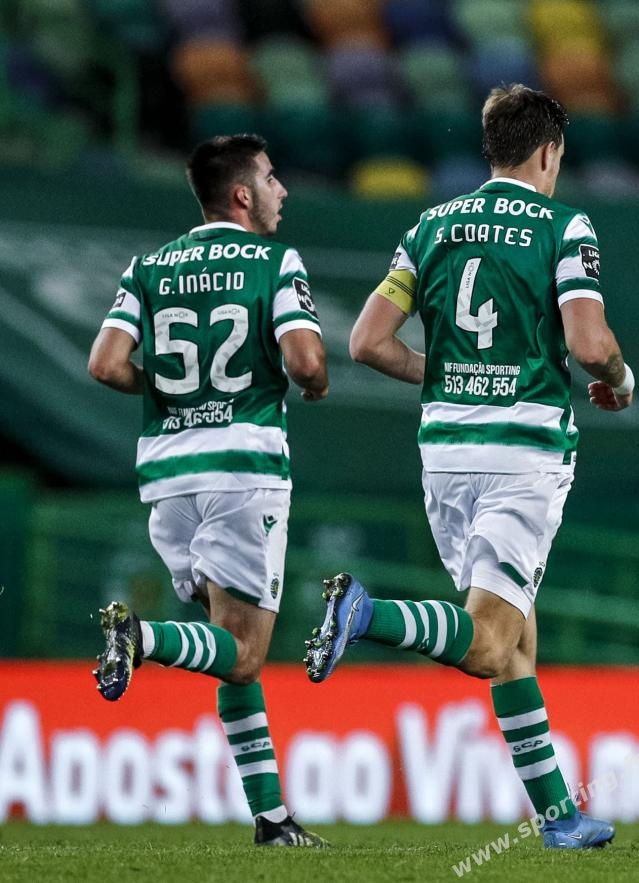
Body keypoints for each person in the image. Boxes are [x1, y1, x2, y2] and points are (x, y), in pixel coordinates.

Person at [302, 85, 632, 849]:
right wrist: (620, 380)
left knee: (516, 641)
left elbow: (367, 342)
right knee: (487, 642)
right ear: (549, 152)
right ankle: (367, 614)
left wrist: (449, 374)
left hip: (446, 454)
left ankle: (558, 815)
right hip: (521, 454)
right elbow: (589, 345)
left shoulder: (430, 227)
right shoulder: (564, 225)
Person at [89, 134, 329, 847]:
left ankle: (271, 817)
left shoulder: (149, 267)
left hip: (168, 478)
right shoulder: (274, 262)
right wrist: (314, 383)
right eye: (272, 178)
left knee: (228, 650)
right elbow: (305, 360)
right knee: (246, 651)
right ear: (242, 194)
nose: (283, 191)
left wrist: (169, 391)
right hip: (242, 471)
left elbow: (105, 364)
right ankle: (140, 636)